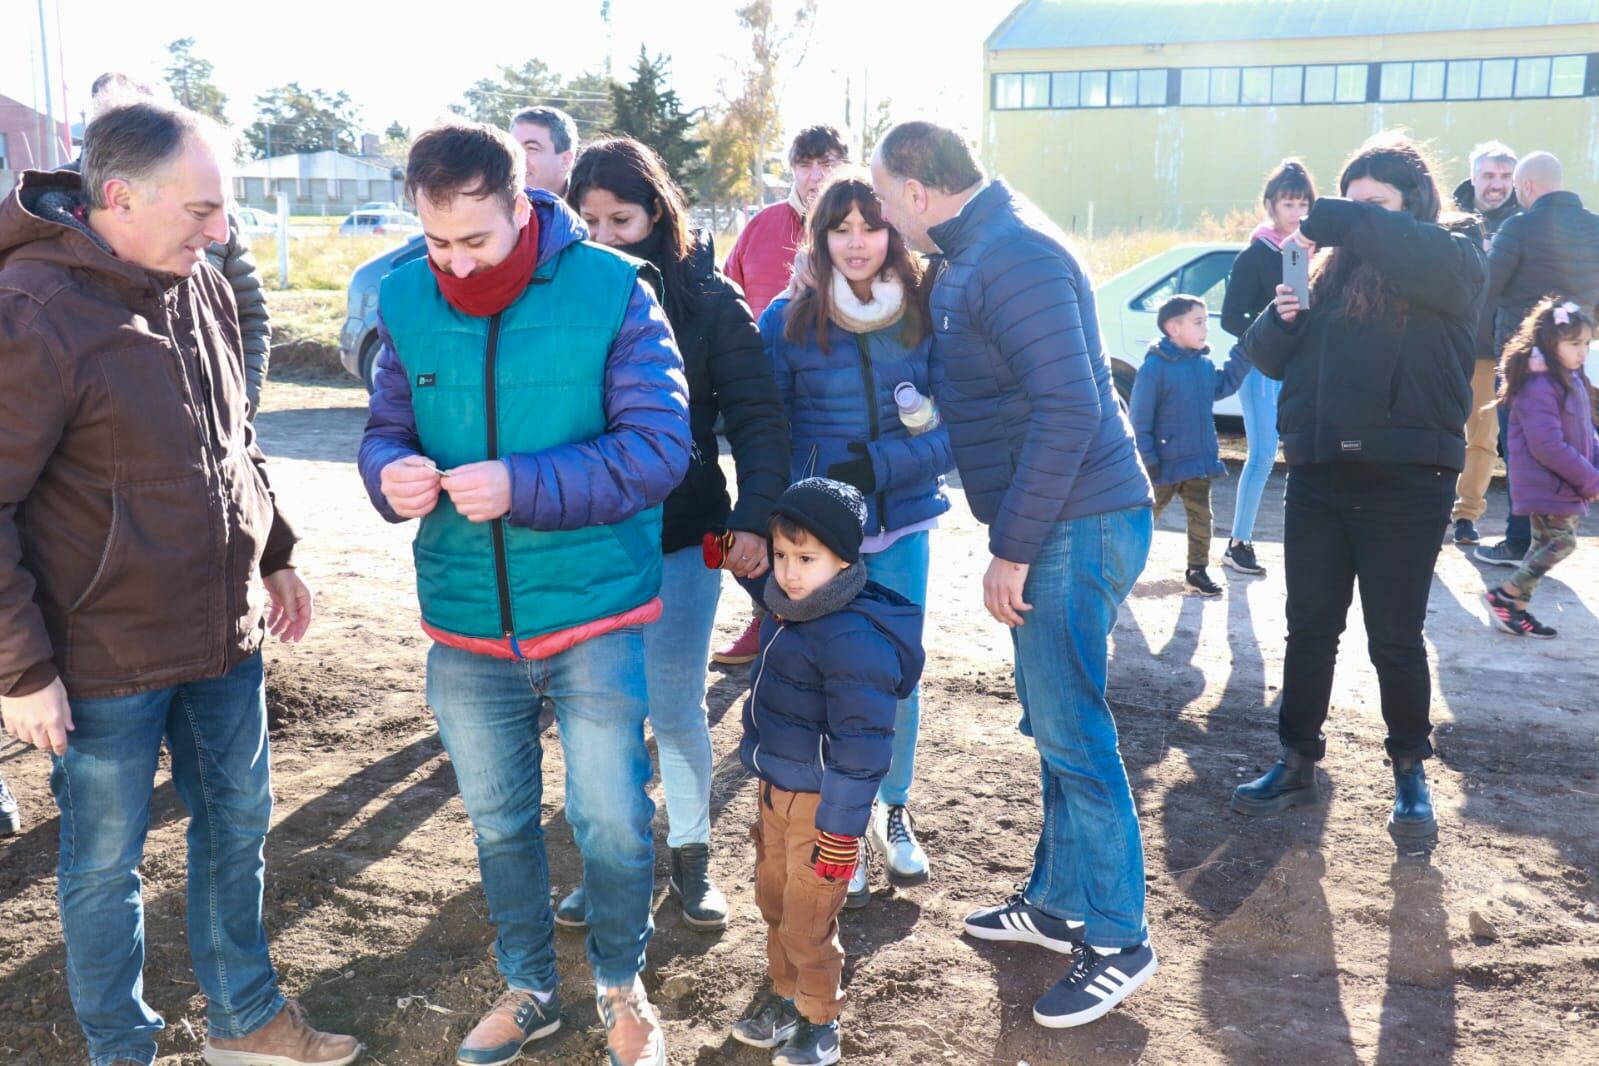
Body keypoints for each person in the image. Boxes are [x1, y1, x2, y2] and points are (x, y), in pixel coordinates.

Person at [0, 102, 352, 1066]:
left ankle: (247, 1024)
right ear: (119, 199)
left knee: (237, 830)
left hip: (222, 636)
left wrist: (273, 549)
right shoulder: (33, 310)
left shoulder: (195, 281)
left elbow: (234, 437)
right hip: (101, 657)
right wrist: (22, 670)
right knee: (102, 867)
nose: (221, 231)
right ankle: (124, 1049)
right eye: (202, 209)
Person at [357, 122, 689, 1066]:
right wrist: (389, 474)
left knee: (613, 822)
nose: (455, 264)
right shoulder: (404, 295)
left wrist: (523, 484)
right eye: (436, 242)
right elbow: (384, 427)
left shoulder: (616, 291)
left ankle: (621, 986)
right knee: (500, 823)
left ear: (522, 204)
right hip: (464, 618)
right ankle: (532, 987)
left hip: (592, 610)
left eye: (476, 240)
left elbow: (661, 447)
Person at [871, 121, 1158, 1029]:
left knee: (1074, 732)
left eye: (882, 198)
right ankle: (1057, 903)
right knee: (1054, 722)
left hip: (1077, 519)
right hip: (1064, 518)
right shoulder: (981, 249)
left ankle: (1117, 939)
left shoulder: (1012, 253)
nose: (880, 216)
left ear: (916, 190)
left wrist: (1014, 547)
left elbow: (1071, 405)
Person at [554, 136, 789, 932]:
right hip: (583, 537)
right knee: (595, 712)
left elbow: (758, 417)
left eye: (620, 218)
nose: (603, 236)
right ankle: (610, 861)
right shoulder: (564, 291)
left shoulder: (709, 297)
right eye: (587, 221)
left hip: (688, 536)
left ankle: (691, 857)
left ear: (656, 211)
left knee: (676, 704)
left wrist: (752, 518)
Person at [1231, 133, 1486, 845]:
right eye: (1351, 202)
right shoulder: (1326, 275)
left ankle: (1408, 773)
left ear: (1411, 204)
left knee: (1394, 639)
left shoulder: (1452, 257)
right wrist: (1279, 318)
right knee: (1308, 630)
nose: (1356, 216)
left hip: (1407, 480)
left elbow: (1442, 268)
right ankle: (1294, 760)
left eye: (1375, 203)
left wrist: (1350, 219)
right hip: (1317, 474)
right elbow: (1265, 359)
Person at [762, 169, 953, 902]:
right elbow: (763, 429)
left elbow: (952, 434)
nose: (855, 242)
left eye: (869, 226)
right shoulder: (786, 318)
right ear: (818, 237)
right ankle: (832, 826)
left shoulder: (925, 316)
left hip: (902, 526)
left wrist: (871, 465)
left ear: (894, 232)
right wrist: (798, 507)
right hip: (816, 544)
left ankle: (891, 808)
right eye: (838, 228)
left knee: (893, 679)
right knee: (817, 682)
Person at [728, 477, 923, 1066]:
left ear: (844, 559)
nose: (788, 571)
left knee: (810, 918)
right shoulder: (793, 609)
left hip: (822, 810)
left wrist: (842, 832)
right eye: (782, 555)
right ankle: (784, 995)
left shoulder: (853, 638)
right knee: (777, 905)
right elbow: (755, 575)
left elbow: (862, 748)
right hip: (775, 793)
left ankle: (817, 1017)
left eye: (805, 558)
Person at [714, 125, 850, 668]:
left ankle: (822, 636)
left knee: (821, 531)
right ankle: (765, 618)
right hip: (762, 399)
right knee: (758, 522)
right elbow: (728, 297)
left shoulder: (861, 224)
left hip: (827, 407)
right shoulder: (762, 226)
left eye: (826, 163)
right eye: (804, 164)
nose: (814, 176)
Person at [66, 71, 273, 412]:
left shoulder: (218, 222)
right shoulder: (55, 229)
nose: (215, 231)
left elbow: (249, 315)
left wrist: (239, 405)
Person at [1473, 151, 1599, 567]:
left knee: (1523, 448)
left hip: (1523, 362)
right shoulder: (1596, 227)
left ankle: (1518, 540)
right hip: (1574, 361)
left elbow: (1487, 288)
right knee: (1566, 443)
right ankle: (1555, 537)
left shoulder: (1518, 227)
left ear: (1526, 187)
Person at [1218, 159, 1316, 575]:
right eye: (1288, 203)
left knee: (1301, 454)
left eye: (1303, 203)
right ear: (1270, 206)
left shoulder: (1302, 253)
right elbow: (1229, 317)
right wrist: (1267, 336)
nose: (1296, 212)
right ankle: (1238, 542)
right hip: (1260, 368)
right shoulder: (1256, 253)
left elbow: (1304, 311)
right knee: (1260, 455)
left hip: (1301, 369)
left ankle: (1306, 544)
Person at [1482, 298, 1598, 638]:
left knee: (1540, 546)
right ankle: (1504, 594)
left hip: (1564, 481)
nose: (1583, 352)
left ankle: (1515, 609)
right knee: (1563, 543)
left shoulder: (1569, 378)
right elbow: (1547, 446)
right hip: (1550, 482)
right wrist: (1590, 478)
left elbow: (1582, 432)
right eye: (1574, 343)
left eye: (1587, 344)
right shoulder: (1539, 384)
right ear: (1550, 342)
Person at [1131, 295, 1252, 596]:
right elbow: (1139, 418)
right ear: (1173, 327)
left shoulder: (1203, 365)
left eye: (1206, 323)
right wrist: (1148, 459)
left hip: (1198, 460)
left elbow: (1224, 384)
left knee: (1201, 519)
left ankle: (1196, 571)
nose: (1205, 329)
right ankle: (1123, 569)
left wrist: (1244, 352)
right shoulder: (1155, 368)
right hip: (1163, 462)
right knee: (1144, 519)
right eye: (1198, 322)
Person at [1450, 142, 1523, 546]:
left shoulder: (1522, 223)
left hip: (1490, 351)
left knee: (1481, 439)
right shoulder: (1449, 218)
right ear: (1473, 176)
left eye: (1504, 177)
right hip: (1444, 342)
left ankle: (1465, 515)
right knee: (1435, 431)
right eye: (1489, 176)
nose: (1496, 185)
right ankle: (1428, 504)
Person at [510, 106, 578, 196]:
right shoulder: (492, 205)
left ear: (565, 160)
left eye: (531, 148)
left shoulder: (590, 205)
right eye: (513, 147)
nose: (515, 158)